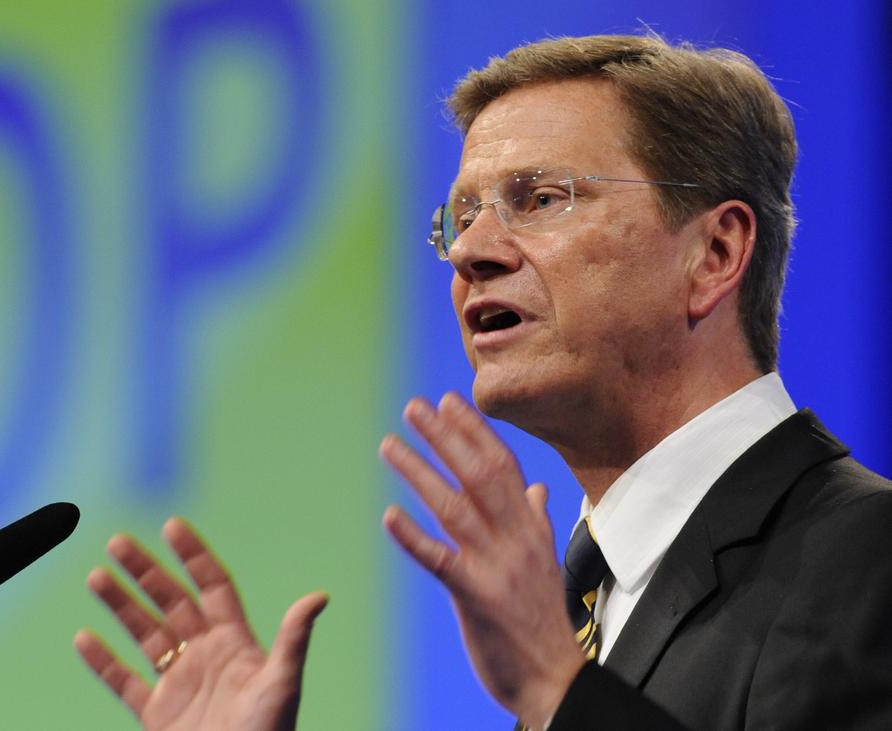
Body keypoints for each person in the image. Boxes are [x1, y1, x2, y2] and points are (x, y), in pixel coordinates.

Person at [72, 33, 892, 730]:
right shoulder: (580, 608)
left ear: (714, 254)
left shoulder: (866, 555)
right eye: (461, 217)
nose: (470, 251)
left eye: (540, 198)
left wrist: (557, 689)